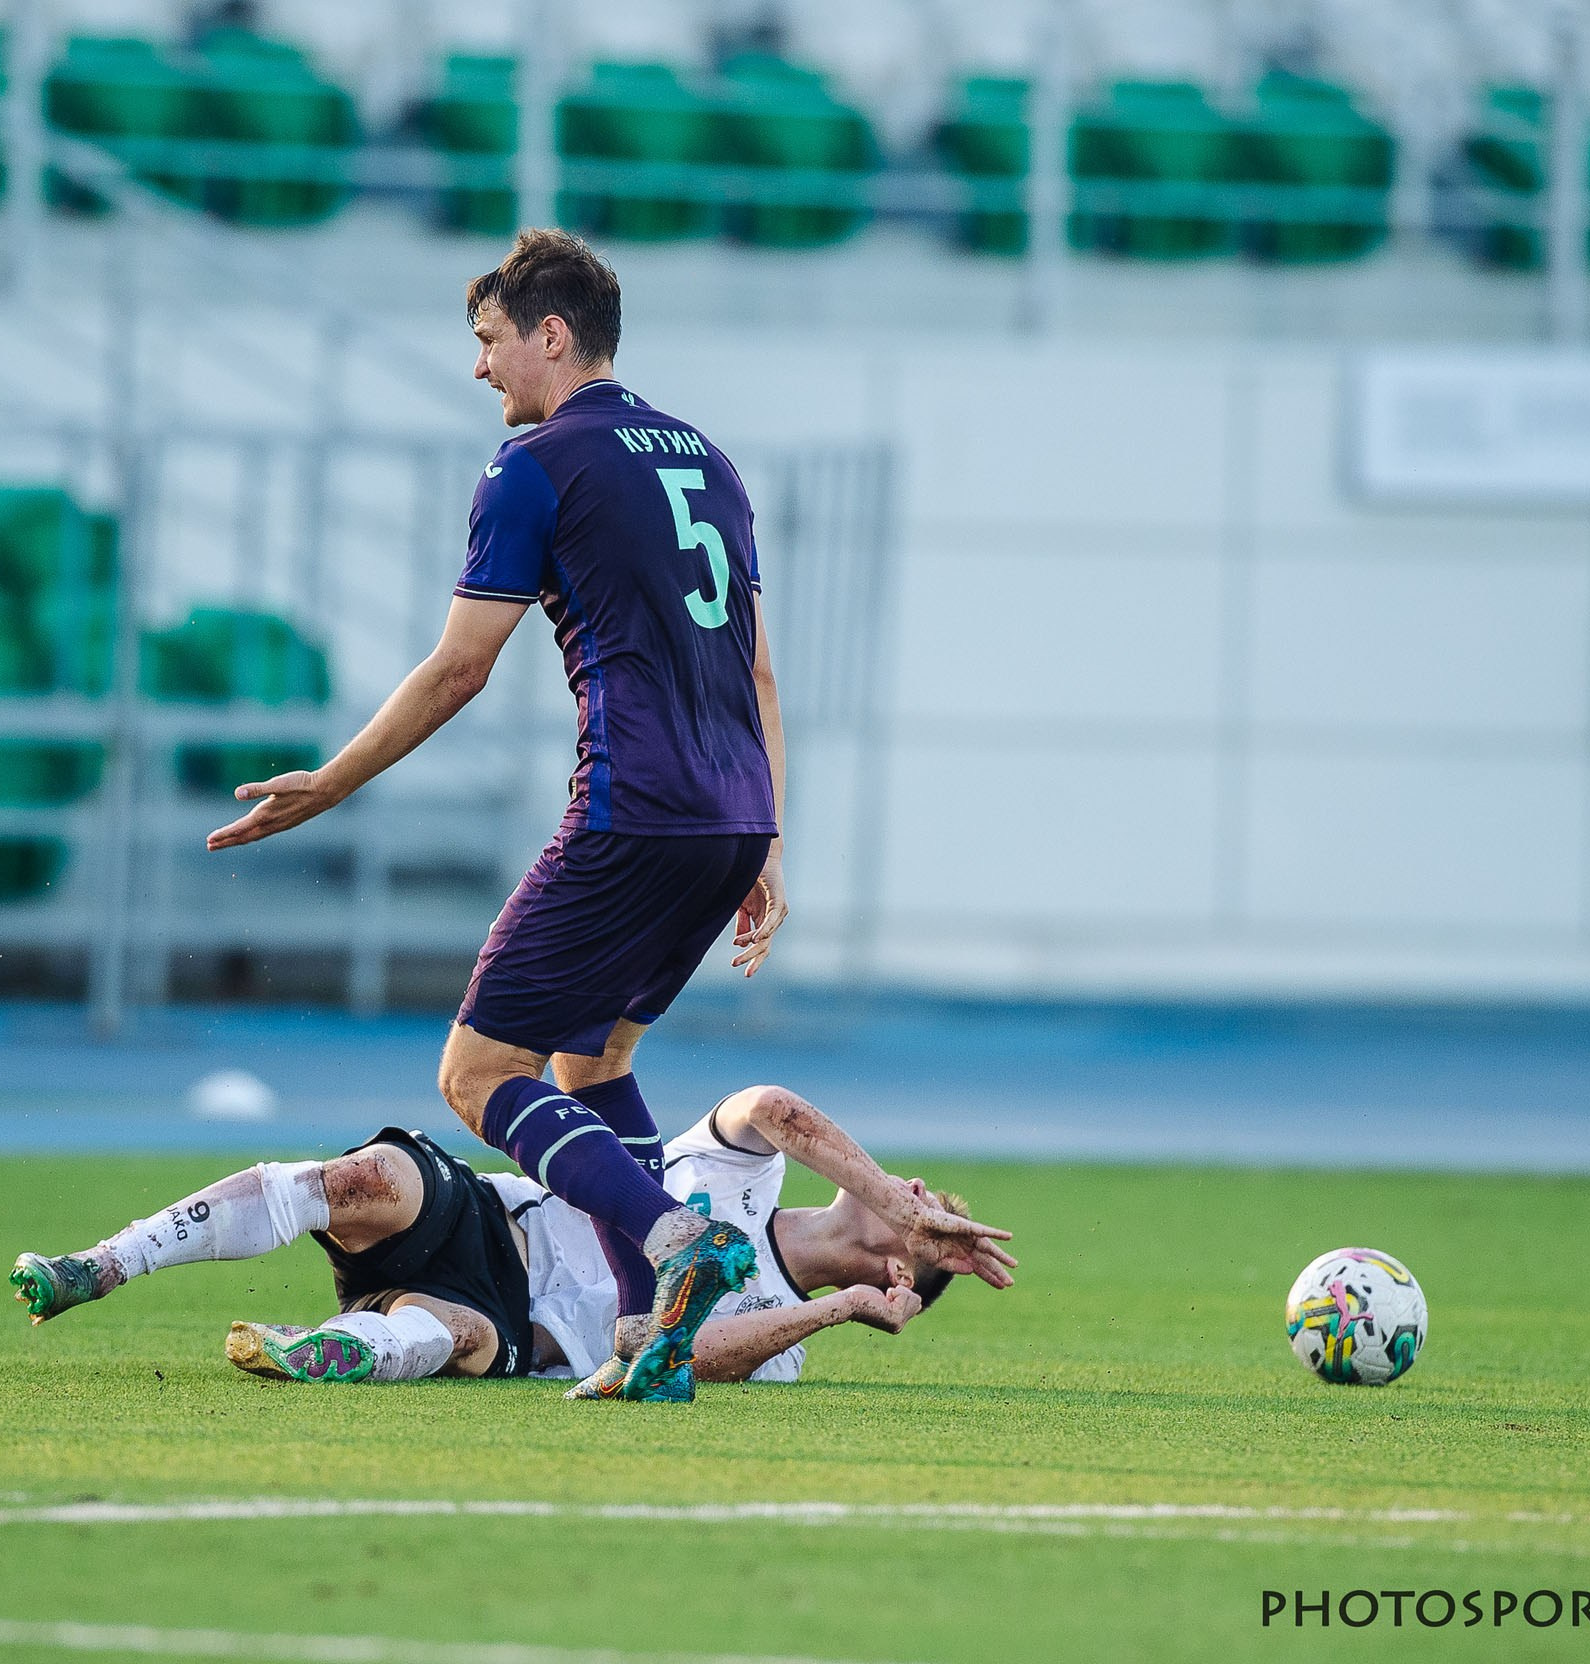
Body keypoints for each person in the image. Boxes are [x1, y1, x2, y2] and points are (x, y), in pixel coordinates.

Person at [199, 228, 1004, 1400]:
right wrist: (767, 840)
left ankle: (681, 1237)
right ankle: (648, 1330)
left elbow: (458, 665)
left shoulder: (532, 465)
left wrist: (333, 778)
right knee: (595, 1058)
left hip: (637, 808)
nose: (479, 367)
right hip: (731, 811)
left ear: (550, 334)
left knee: (478, 1073)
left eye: (488, 340)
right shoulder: (710, 460)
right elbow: (759, 672)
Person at [9, 1083, 1017, 1392]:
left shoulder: (785, 1338)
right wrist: (890, 1194)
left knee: (447, 1335)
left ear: (900, 1267)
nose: (918, 1195)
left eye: (931, 1214)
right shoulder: (750, 1170)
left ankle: (324, 1350)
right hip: (485, 1213)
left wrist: (841, 1309)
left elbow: (689, 1349)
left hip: (502, 1320)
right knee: (358, 1179)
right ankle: (97, 1265)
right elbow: (770, 1106)